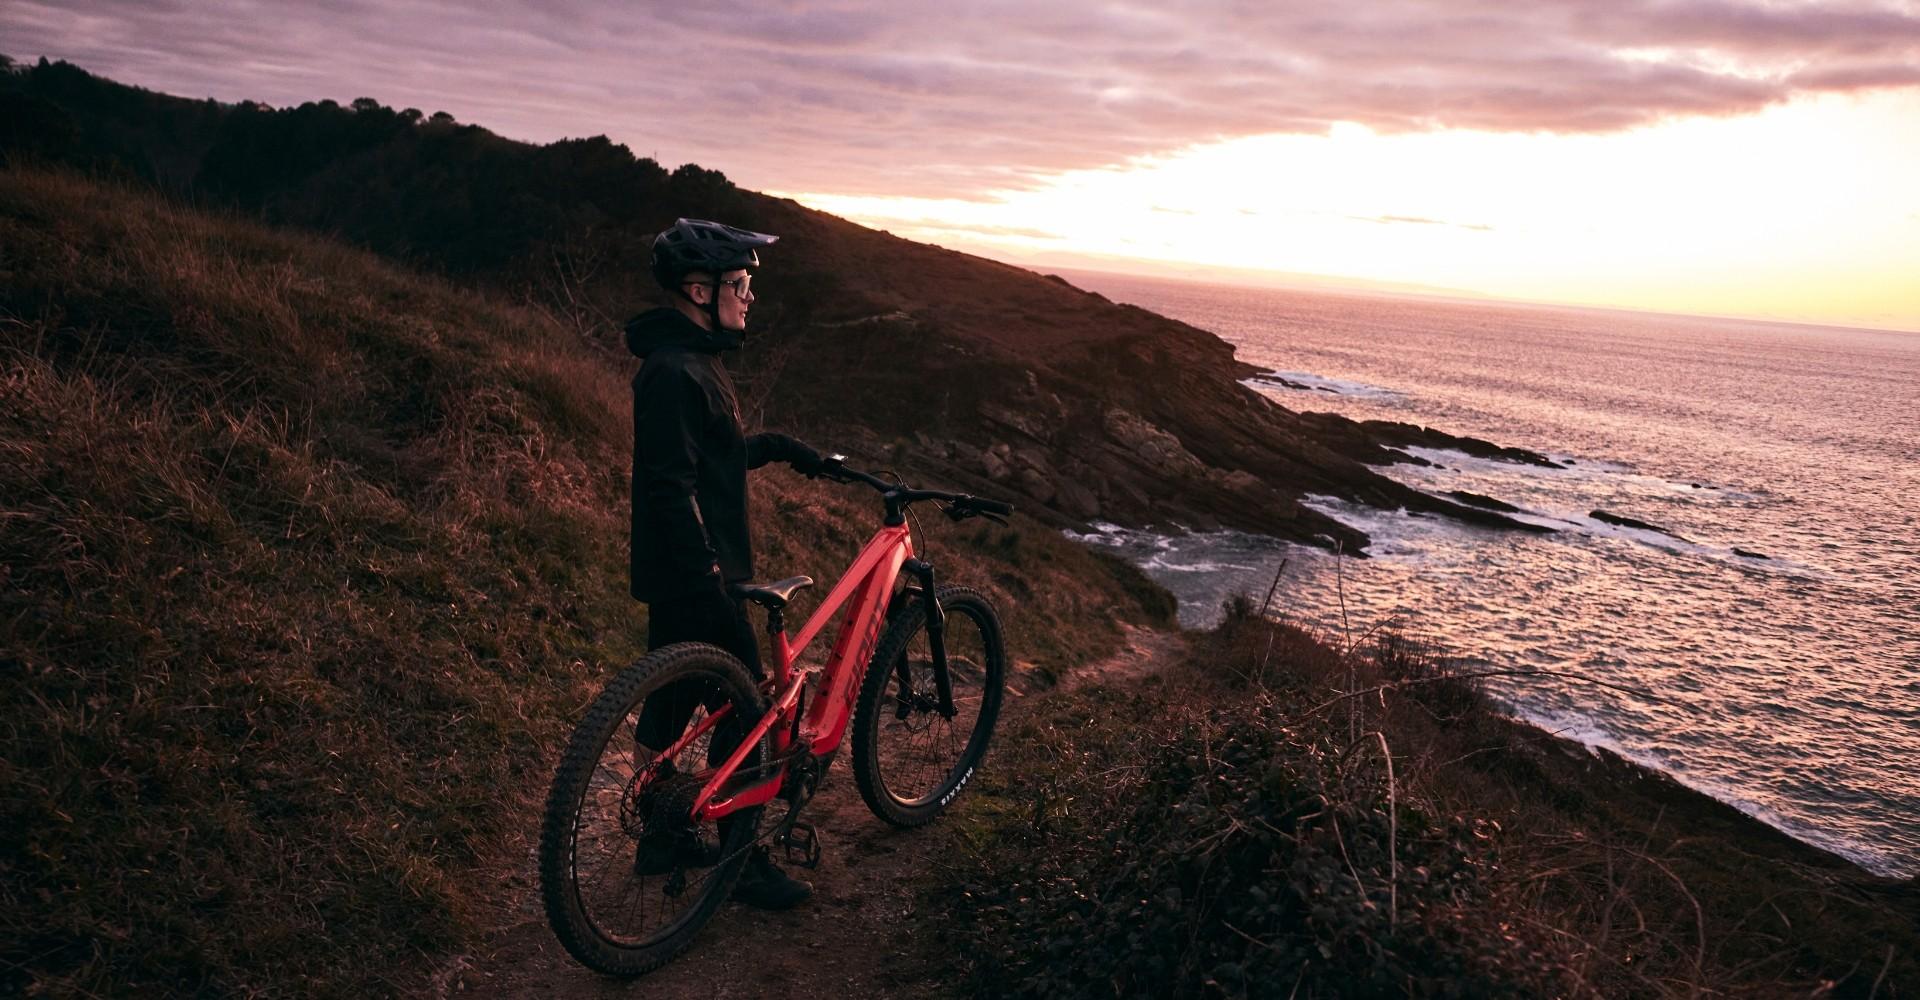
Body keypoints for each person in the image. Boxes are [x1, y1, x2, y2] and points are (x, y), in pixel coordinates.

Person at [626, 218, 821, 910]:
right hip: (698, 574)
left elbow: (713, 451)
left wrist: (781, 447)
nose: (749, 297)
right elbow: (670, 485)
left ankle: (659, 839)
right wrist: (711, 577)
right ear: (699, 289)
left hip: (681, 570)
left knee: (672, 707)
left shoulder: (689, 360)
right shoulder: (677, 372)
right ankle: (741, 864)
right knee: (749, 716)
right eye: (740, 285)